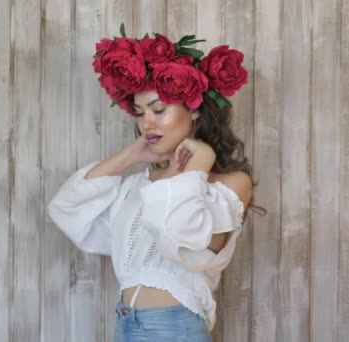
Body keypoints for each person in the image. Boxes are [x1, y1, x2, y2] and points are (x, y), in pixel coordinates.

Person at [48, 25, 265, 341]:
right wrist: (130, 155)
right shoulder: (137, 186)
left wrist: (197, 168)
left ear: (193, 110)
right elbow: (67, 209)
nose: (147, 122)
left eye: (159, 109)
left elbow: (182, 240)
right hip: (125, 324)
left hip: (172, 326)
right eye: (139, 113)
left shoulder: (229, 183)